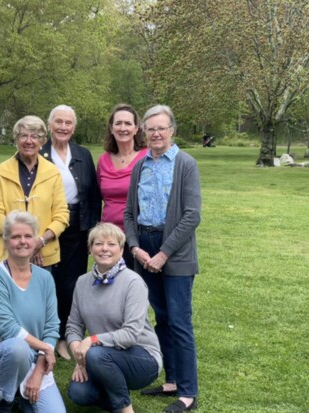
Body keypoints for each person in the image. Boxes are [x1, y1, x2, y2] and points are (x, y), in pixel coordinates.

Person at [124, 105, 201, 413]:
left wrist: (164, 253)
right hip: (144, 248)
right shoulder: (141, 166)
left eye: (161, 128)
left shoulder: (186, 164)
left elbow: (192, 215)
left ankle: (187, 392)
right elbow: (130, 213)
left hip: (175, 251)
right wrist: (135, 247)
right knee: (161, 318)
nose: (155, 133)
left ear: (172, 131)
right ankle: (170, 380)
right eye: (150, 129)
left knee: (180, 322)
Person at [0, 211, 66, 413]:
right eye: (15, 237)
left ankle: (21, 395)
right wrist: (47, 349)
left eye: (27, 236)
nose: (22, 241)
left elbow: (51, 327)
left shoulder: (45, 278)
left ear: (35, 241)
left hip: (35, 358)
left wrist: (39, 370)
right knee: (17, 348)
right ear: (6, 242)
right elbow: (6, 328)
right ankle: (4, 402)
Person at [66, 222, 162, 413]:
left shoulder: (133, 282)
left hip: (142, 357)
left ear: (121, 248)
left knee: (96, 353)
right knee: (79, 392)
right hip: (100, 356)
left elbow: (131, 335)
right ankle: (113, 387)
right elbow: (73, 326)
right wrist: (79, 357)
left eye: (111, 244)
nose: (104, 249)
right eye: (98, 243)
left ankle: (125, 409)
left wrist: (93, 341)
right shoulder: (82, 282)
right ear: (90, 248)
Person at [39, 104, 101, 360]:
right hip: (47, 227)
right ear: (50, 124)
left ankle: (65, 336)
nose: (63, 127)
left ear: (73, 127)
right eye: (59, 122)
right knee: (45, 282)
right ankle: (43, 335)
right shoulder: (39, 152)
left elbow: (94, 196)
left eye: (68, 123)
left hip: (77, 226)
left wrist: (92, 232)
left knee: (71, 285)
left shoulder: (83, 154)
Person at [0, 115, 69, 270]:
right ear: (16, 139)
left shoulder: (52, 172)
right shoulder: (2, 170)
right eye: (23, 135)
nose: (29, 141)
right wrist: (19, 240)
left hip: (43, 256)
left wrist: (39, 242)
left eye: (35, 136)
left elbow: (61, 215)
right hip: (7, 253)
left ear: (42, 141)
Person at [97, 103, 148, 269]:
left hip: (139, 235)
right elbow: (97, 198)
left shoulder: (147, 157)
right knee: (110, 288)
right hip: (110, 238)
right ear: (111, 129)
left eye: (128, 123)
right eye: (118, 123)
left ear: (136, 128)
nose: (123, 128)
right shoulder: (103, 161)